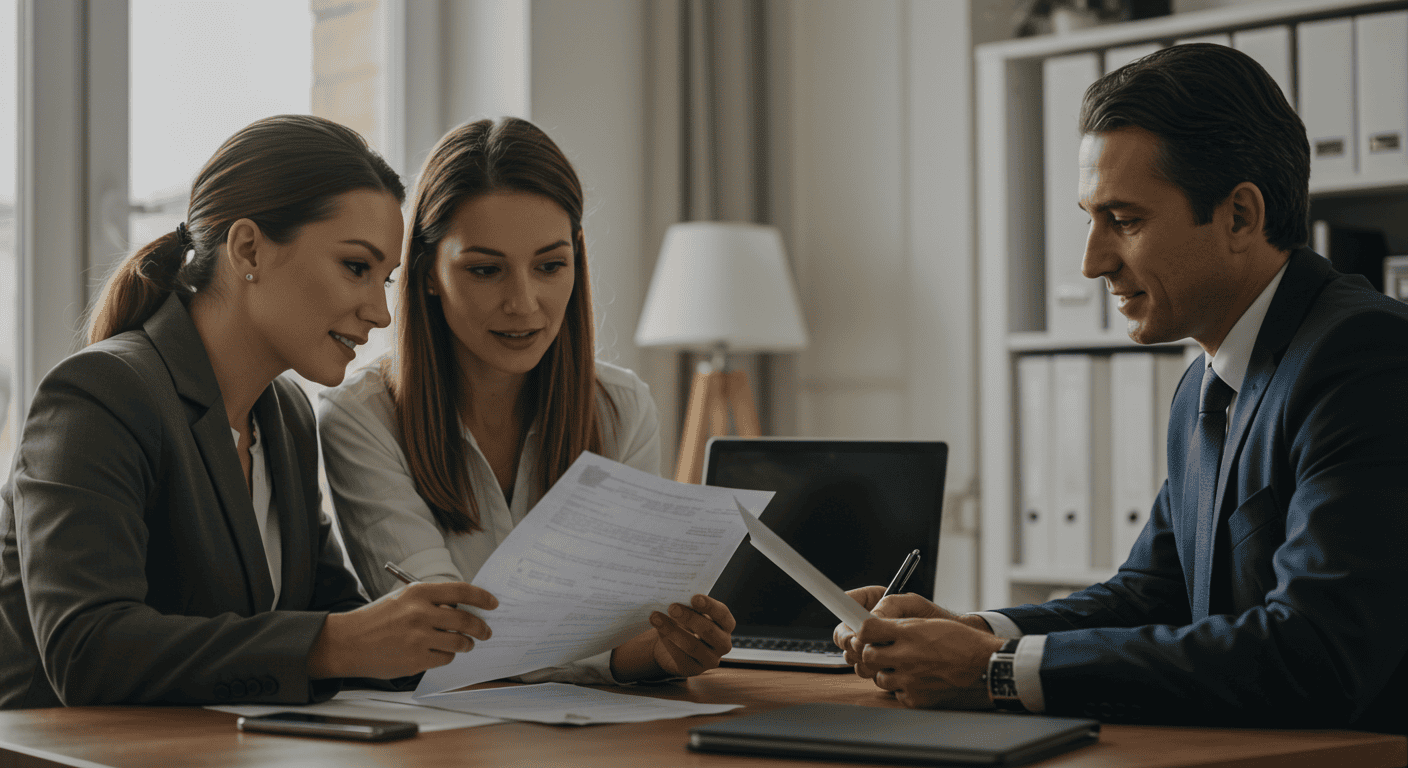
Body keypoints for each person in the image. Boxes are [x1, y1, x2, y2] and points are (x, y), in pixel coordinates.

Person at [835, 43, 1408, 733]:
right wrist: (972, 630)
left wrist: (993, 670)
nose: (1091, 261)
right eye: (1090, 218)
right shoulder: (1205, 382)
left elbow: (1316, 653)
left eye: (1125, 221)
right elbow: (1150, 595)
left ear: (1240, 217)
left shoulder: (1365, 356)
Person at [0, 115, 497, 709]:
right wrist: (334, 644)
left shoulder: (285, 415)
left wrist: (439, 640)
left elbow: (326, 611)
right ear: (248, 249)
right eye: (355, 268)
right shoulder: (100, 393)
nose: (380, 313)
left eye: (385, 280)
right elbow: (87, 651)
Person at [318, 117, 736, 684]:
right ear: (428, 272)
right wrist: (614, 653)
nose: (523, 302)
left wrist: (662, 652)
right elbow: (446, 638)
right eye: (486, 270)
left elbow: (625, 628)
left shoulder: (621, 408)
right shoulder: (361, 418)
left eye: (550, 266)